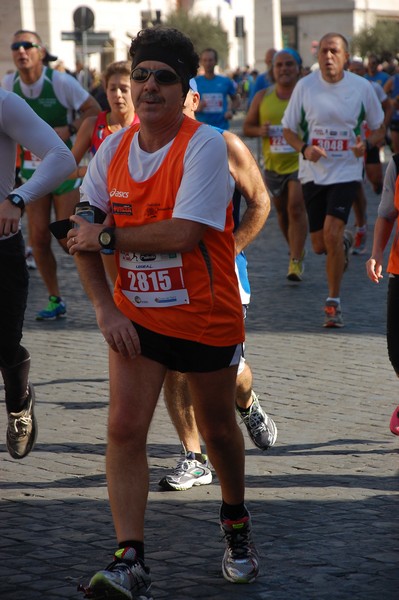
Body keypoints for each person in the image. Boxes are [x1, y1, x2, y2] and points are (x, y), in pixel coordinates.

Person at [68, 27, 260, 599]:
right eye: (141, 75)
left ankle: (236, 526)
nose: (149, 87)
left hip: (207, 316)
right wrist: (105, 310)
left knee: (221, 433)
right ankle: (130, 558)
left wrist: (104, 238)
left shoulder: (204, 144)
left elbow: (182, 233)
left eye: (163, 78)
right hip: (138, 317)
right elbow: (78, 233)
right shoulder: (112, 149)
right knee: (124, 429)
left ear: (185, 89)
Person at [159, 79, 276, 492]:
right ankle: (194, 457)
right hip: (167, 282)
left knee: (231, 373)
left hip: (224, 278)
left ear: (193, 100)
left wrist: (231, 248)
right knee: (176, 366)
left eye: (176, 90)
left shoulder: (224, 144)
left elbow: (261, 200)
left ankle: (246, 401)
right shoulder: (144, 148)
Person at [282, 32, 385, 328]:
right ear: (318, 56)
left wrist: (366, 144)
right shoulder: (305, 87)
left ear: (345, 57)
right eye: (324, 51)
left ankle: (333, 303)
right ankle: (343, 242)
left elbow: (378, 129)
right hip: (313, 172)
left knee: (331, 230)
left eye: (334, 51)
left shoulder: (361, 88)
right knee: (319, 245)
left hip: (347, 171)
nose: (328, 56)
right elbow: (288, 130)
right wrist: (304, 148)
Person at [2, 29, 101, 320]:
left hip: (63, 168)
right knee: (40, 238)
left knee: (67, 236)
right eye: (15, 46)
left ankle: (100, 293)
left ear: (41, 52)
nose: (21, 51)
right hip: (33, 173)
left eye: (27, 45)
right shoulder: (9, 85)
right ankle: (55, 298)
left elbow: (93, 110)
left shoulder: (59, 82)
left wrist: (69, 130)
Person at [0, 88, 75, 459]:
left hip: (0, 241)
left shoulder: (3, 102)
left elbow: (61, 158)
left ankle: (19, 403)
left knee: (4, 344)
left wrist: (17, 198)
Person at [244, 48, 308, 282]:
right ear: (273, 70)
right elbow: (247, 127)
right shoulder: (263, 97)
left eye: (289, 64)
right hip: (273, 165)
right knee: (282, 211)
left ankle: (295, 259)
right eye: (279, 65)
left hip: (300, 162)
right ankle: (296, 248)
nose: (284, 69)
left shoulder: (305, 96)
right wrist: (259, 130)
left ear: (299, 68)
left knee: (295, 207)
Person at [366, 154, 399, 435]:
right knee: (396, 351)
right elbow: (387, 214)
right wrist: (376, 253)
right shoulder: (397, 165)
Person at [348, 58, 393, 255]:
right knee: (356, 186)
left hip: (370, 139)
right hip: (351, 145)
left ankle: (378, 191)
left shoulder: (372, 87)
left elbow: (388, 105)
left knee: (375, 180)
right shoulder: (341, 88)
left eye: (360, 70)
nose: (357, 73)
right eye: (353, 70)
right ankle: (362, 228)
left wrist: (383, 124)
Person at [195, 48, 240, 130]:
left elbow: (236, 99)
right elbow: (184, 105)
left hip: (221, 128)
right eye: (205, 60)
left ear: (216, 62)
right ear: (201, 62)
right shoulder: (195, 82)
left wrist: (231, 111)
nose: (207, 63)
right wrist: (195, 108)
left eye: (210, 60)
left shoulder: (225, 81)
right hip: (201, 128)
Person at [384, 70, 399, 154]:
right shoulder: (394, 79)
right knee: (397, 151)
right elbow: (383, 95)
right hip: (396, 118)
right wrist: (392, 101)